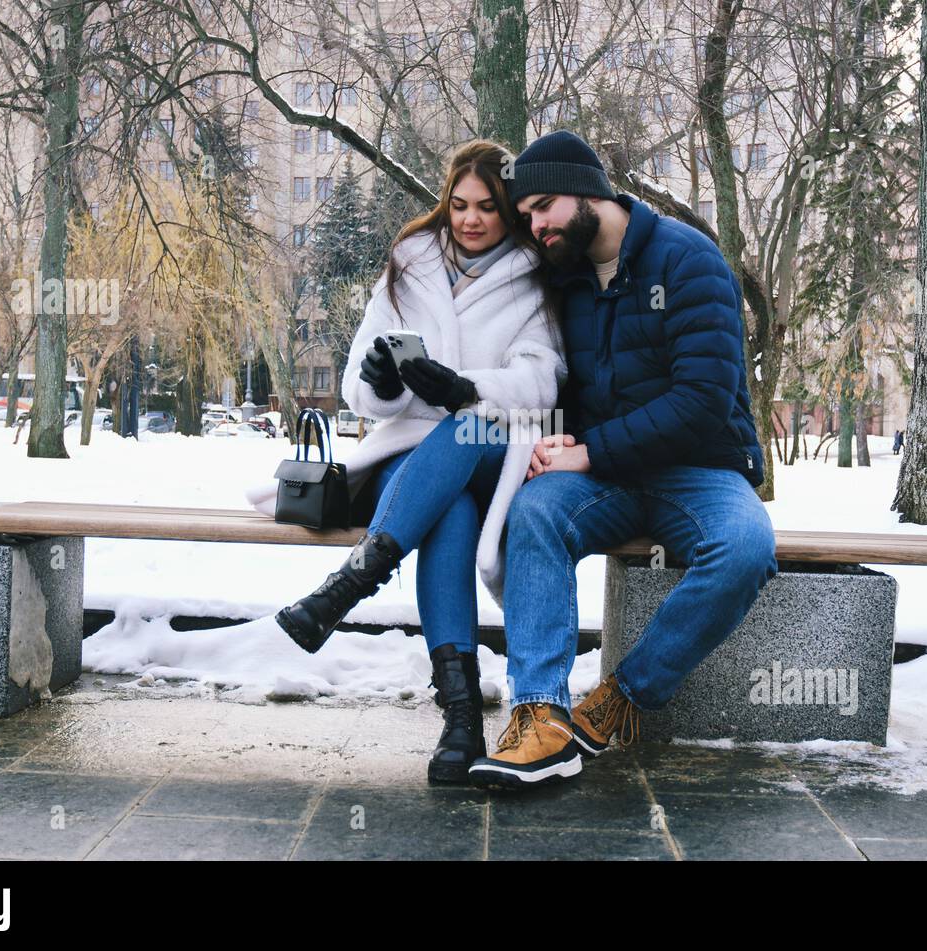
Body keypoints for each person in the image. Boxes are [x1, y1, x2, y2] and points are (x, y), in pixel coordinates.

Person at [245, 140, 566, 785]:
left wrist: (464, 388)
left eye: (486, 208)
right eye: (458, 204)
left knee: (466, 428)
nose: (470, 219)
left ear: (508, 210)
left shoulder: (535, 277)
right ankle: (460, 718)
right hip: (411, 451)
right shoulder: (408, 263)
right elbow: (359, 389)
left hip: (491, 442)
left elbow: (543, 381)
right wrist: (382, 384)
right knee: (445, 517)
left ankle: (350, 586)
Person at [465, 130, 778, 790]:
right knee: (535, 513)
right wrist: (547, 441)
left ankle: (622, 699)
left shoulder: (688, 261)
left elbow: (702, 399)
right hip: (602, 475)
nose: (535, 224)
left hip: (699, 467)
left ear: (590, 192)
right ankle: (540, 714)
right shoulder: (563, 275)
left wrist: (587, 450)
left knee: (745, 547)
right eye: (524, 214)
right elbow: (547, 375)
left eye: (543, 205)